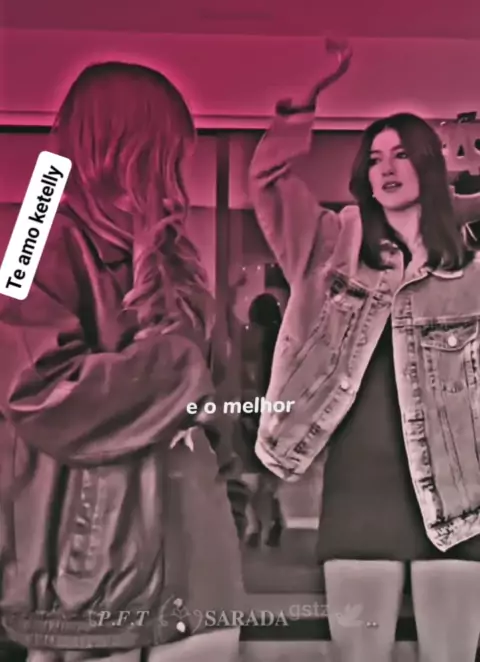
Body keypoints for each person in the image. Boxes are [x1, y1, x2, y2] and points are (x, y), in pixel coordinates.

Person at [0, 62, 247, 662]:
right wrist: (176, 366)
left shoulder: (170, 248)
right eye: (168, 151)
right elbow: (35, 390)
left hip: (193, 538)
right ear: (127, 147)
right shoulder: (36, 231)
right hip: (92, 560)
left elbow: (214, 397)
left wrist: (231, 485)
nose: (176, 170)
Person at [249, 39, 480, 662]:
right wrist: (301, 103)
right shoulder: (331, 244)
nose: (386, 167)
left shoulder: (470, 266)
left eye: (402, 153)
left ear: (428, 165)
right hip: (360, 488)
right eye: (375, 157)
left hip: (462, 493)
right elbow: (268, 182)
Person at [238, 293, 284, 547]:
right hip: (275, 412)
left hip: (251, 409)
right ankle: (274, 517)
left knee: (250, 473)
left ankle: (254, 524)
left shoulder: (248, 340)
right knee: (269, 475)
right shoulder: (282, 340)